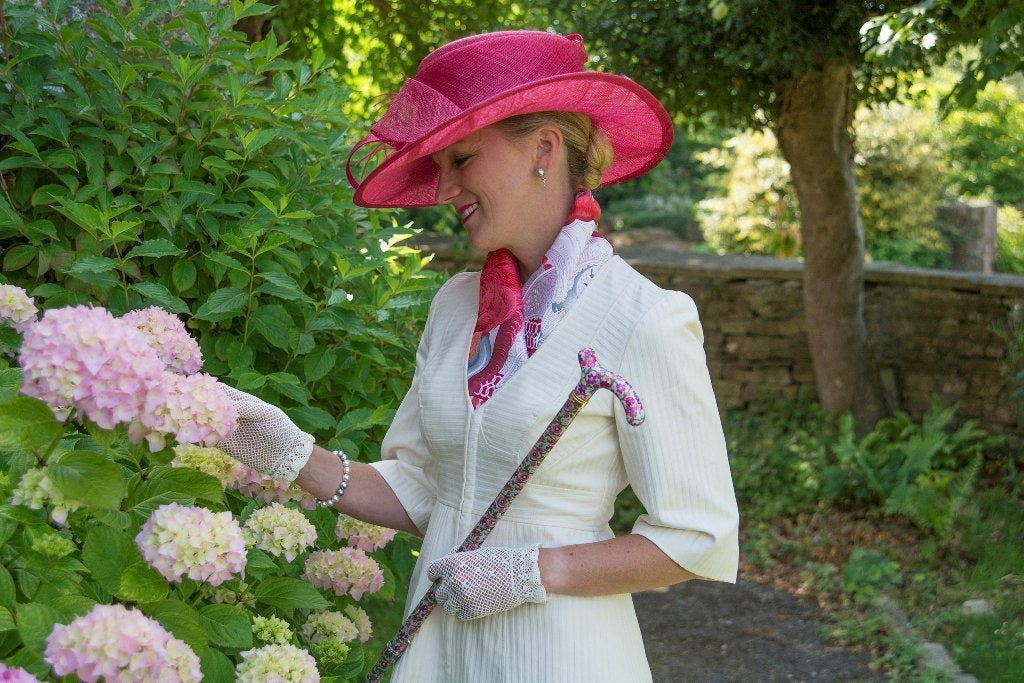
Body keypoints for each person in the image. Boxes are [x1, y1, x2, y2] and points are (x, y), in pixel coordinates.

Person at [219, 30, 739, 682]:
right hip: (437, 650)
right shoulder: (458, 306)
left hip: (560, 656)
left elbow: (700, 534)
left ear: (543, 148)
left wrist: (538, 568)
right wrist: (295, 456)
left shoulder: (644, 319)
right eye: (438, 168)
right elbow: (432, 491)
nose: (444, 190)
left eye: (461, 159)